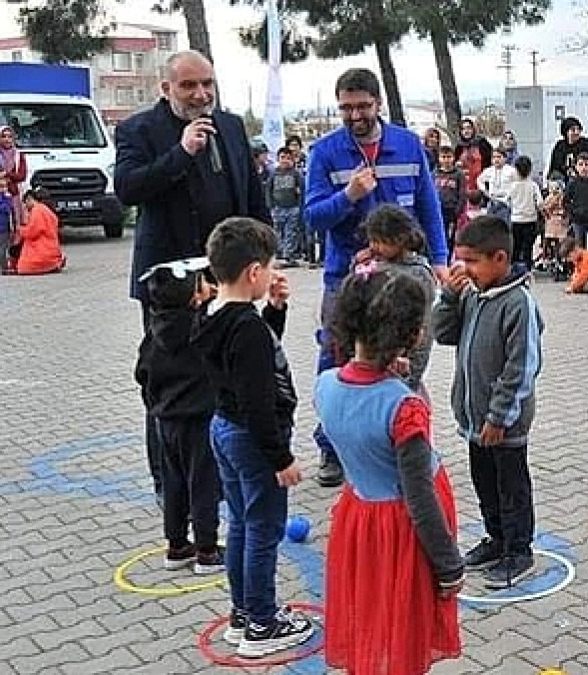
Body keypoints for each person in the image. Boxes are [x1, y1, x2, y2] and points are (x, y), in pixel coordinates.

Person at [115, 50, 272, 502]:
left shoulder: (231, 126)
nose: (201, 94)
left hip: (231, 276)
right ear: (166, 88)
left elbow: (252, 197)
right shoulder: (139, 130)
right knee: (173, 386)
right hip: (172, 285)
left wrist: (266, 256)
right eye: (189, 86)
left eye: (207, 83)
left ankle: (221, 476)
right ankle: (172, 485)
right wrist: (182, 152)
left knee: (228, 374)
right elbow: (128, 188)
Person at [304, 68, 449, 488]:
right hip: (345, 279)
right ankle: (331, 447)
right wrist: (347, 195)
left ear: (378, 104)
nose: (354, 115)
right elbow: (313, 218)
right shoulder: (326, 152)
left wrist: (439, 258)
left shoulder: (406, 144)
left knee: (403, 358)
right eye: (345, 108)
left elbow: (428, 206)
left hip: (401, 276)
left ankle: (398, 438)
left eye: (362, 106)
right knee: (338, 360)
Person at [318, 268, 462, 674]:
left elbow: (359, 404)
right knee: (405, 629)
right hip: (403, 535)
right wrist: (449, 565)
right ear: (412, 334)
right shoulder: (405, 408)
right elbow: (419, 497)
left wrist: (384, 372)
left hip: (360, 520)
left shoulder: (326, 385)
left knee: (373, 616)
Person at [191, 217, 314, 657]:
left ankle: (243, 614)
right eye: (270, 267)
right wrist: (281, 458)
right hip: (251, 437)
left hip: (223, 430)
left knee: (242, 522)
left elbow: (252, 359)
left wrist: (274, 311)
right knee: (264, 529)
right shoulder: (244, 328)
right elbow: (258, 397)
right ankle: (262, 624)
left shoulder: (214, 314)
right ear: (254, 273)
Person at [432, 216, 544, 589]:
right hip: (475, 418)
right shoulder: (471, 293)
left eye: (472, 261)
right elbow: (443, 333)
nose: (464, 269)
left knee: (511, 485)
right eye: (460, 260)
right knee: (485, 483)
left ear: (499, 259)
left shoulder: (518, 303)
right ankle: (496, 540)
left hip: (503, 422)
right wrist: (449, 294)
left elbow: (521, 368)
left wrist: (499, 417)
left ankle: (519, 550)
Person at [134, 256, 220, 575]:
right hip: (199, 420)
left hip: (165, 421)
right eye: (203, 284)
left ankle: (177, 545)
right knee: (203, 483)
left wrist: (156, 402)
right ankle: (208, 550)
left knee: (173, 483)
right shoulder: (201, 328)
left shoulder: (155, 331)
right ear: (193, 297)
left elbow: (141, 372)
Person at [350, 205, 440, 396]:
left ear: (400, 240)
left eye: (380, 242)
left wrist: (413, 369)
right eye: (372, 241)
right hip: (376, 352)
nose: (374, 247)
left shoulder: (418, 273)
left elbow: (423, 324)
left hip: (405, 355)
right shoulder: (376, 265)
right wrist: (357, 267)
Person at [267, 147, 305, 266]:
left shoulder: (296, 174)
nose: (285, 161)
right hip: (277, 208)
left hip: (292, 207)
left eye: (288, 158)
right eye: (282, 157)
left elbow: (302, 190)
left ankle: (288, 254)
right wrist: (270, 205)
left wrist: (299, 206)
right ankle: (279, 252)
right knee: (278, 231)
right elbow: (268, 190)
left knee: (291, 232)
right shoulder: (273, 174)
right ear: (278, 159)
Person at [17, 188, 66, 275]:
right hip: (52, 249)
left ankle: (51, 265)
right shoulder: (46, 210)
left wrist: (20, 230)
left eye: (25, 203)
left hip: (42, 252)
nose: (25, 206)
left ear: (30, 199)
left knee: (23, 267)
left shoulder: (36, 211)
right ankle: (54, 263)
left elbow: (32, 232)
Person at [562, 153, 588, 251]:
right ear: (576, 167)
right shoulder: (572, 183)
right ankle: (580, 266)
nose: (584, 167)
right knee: (579, 248)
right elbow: (566, 201)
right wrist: (572, 213)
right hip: (578, 221)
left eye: (586, 164)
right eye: (580, 164)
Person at [507, 156, 543, 268]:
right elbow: (540, 203)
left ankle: (513, 268)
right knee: (528, 246)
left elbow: (507, 200)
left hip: (516, 219)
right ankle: (527, 268)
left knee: (516, 246)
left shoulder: (512, 186)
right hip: (531, 220)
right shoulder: (533, 186)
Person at [432, 145, 464, 257]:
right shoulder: (435, 173)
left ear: (453, 158)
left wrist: (458, 210)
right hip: (438, 209)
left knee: (449, 237)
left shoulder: (458, 174)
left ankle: (448, 258)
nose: (446, 160)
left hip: (451, 210)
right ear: (439, 158)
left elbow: (462, 193)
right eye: (443, 157)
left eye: (449, 157)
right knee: (438, 235)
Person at [547, 116, 588, 184]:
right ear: (566, 132)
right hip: (562, 175)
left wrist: (574, 171)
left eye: (578, 129)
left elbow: (586, 161)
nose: (576, 132)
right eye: (573, 130)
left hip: (580, 173)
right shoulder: (560, 145)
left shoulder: (586, 144)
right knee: (555, 178)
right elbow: (556, 165)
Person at [454, 118, 493, 194]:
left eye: (468, 128)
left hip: (482, 183)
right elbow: (454, 164)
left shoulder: (482, 143)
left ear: (473, 129)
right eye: (463, 129)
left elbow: (491, 160)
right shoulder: (459, 147)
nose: (466, 131)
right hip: (465, 184)